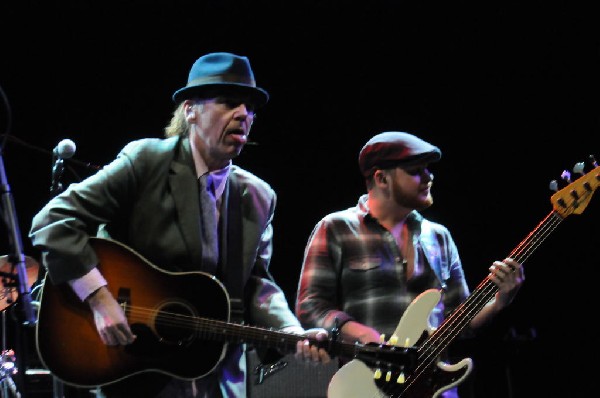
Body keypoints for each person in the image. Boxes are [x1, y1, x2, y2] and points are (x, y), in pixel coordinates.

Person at [29, 52, 330, 398]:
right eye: (229, 102)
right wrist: (99, 298)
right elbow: (52, 221)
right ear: (190, 110)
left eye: (250, 107)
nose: (244, 114)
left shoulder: (258, 196)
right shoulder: (147, 161)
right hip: (138, 368)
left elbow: (258, 284)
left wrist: (291, 331)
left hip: (219, 376)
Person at [295, 131, 525, 398]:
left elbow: (461, 321)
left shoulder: (439, 236)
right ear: (381, 178)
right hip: (365, 387)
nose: (429, 177)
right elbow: (310, 306)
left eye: (428, 169)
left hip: (434, 390)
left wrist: (500, 301)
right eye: (416, 171)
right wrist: (360, 332)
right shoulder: (336, 228)